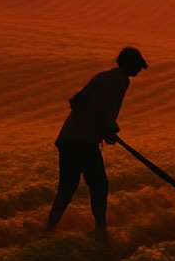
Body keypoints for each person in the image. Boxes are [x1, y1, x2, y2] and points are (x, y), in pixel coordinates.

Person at [45, 46, 148, 233]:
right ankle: (100, 229)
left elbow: (77, 101)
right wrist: (108, 128)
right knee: (99, 185)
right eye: (138, 66)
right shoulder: (120, 81)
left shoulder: (103, 76)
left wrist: (107, 128)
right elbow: (95, 109)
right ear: (130, 65)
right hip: (83, 140)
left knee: (67, 187)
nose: (140, 71)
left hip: (69, 137)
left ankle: (50, 228)